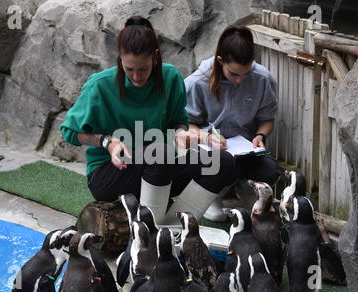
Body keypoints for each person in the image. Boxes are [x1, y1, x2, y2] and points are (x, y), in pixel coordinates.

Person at [60, 16, 236, 225]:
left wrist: (181, 134)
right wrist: (108, 142)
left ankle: (177, 227)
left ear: (155, 57)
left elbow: (178, 122)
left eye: (143, 69)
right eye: (129, 69)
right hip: (111, 173)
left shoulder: (171, 77)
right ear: (120, 60)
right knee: (160, 153)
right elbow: (69, 132)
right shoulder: (100, 85)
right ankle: (150, 234)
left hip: (160, 164)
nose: (136, 77)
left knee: (223, 162)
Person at [185, 25, 280, 222]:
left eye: (245, 74)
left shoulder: (263, 78)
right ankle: (212, 195)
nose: (239, 80)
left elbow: (267, 120)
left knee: (270, 169)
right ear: (220, 61)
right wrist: (206, 137)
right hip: (209, 152)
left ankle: (246, 189)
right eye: (234, 74)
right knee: (222, 164)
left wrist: (261, 135)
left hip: (244, 150)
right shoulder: (198, 82)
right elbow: (185, 125)